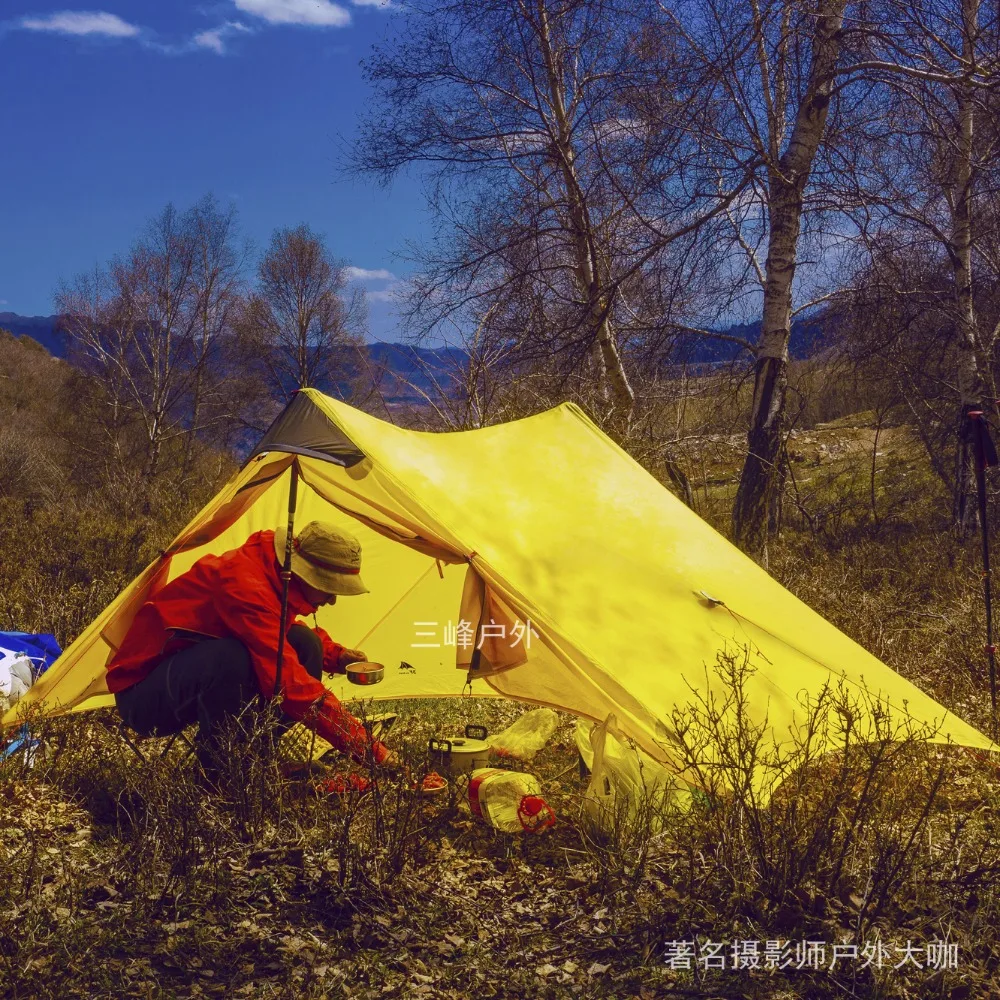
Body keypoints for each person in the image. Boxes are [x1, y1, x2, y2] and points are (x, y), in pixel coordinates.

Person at [107, 520, 396, 781]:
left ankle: (254, 758)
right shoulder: (244, 584)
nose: (332, 599)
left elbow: (275, 627)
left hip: (187, 674)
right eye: (329, 587)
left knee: (307, 644)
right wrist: (371, 751)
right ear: (306, 574)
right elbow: (293, 686)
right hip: (144, 696)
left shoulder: (273, 572)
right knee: (232, 659)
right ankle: (222, 774)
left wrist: (336, 655)